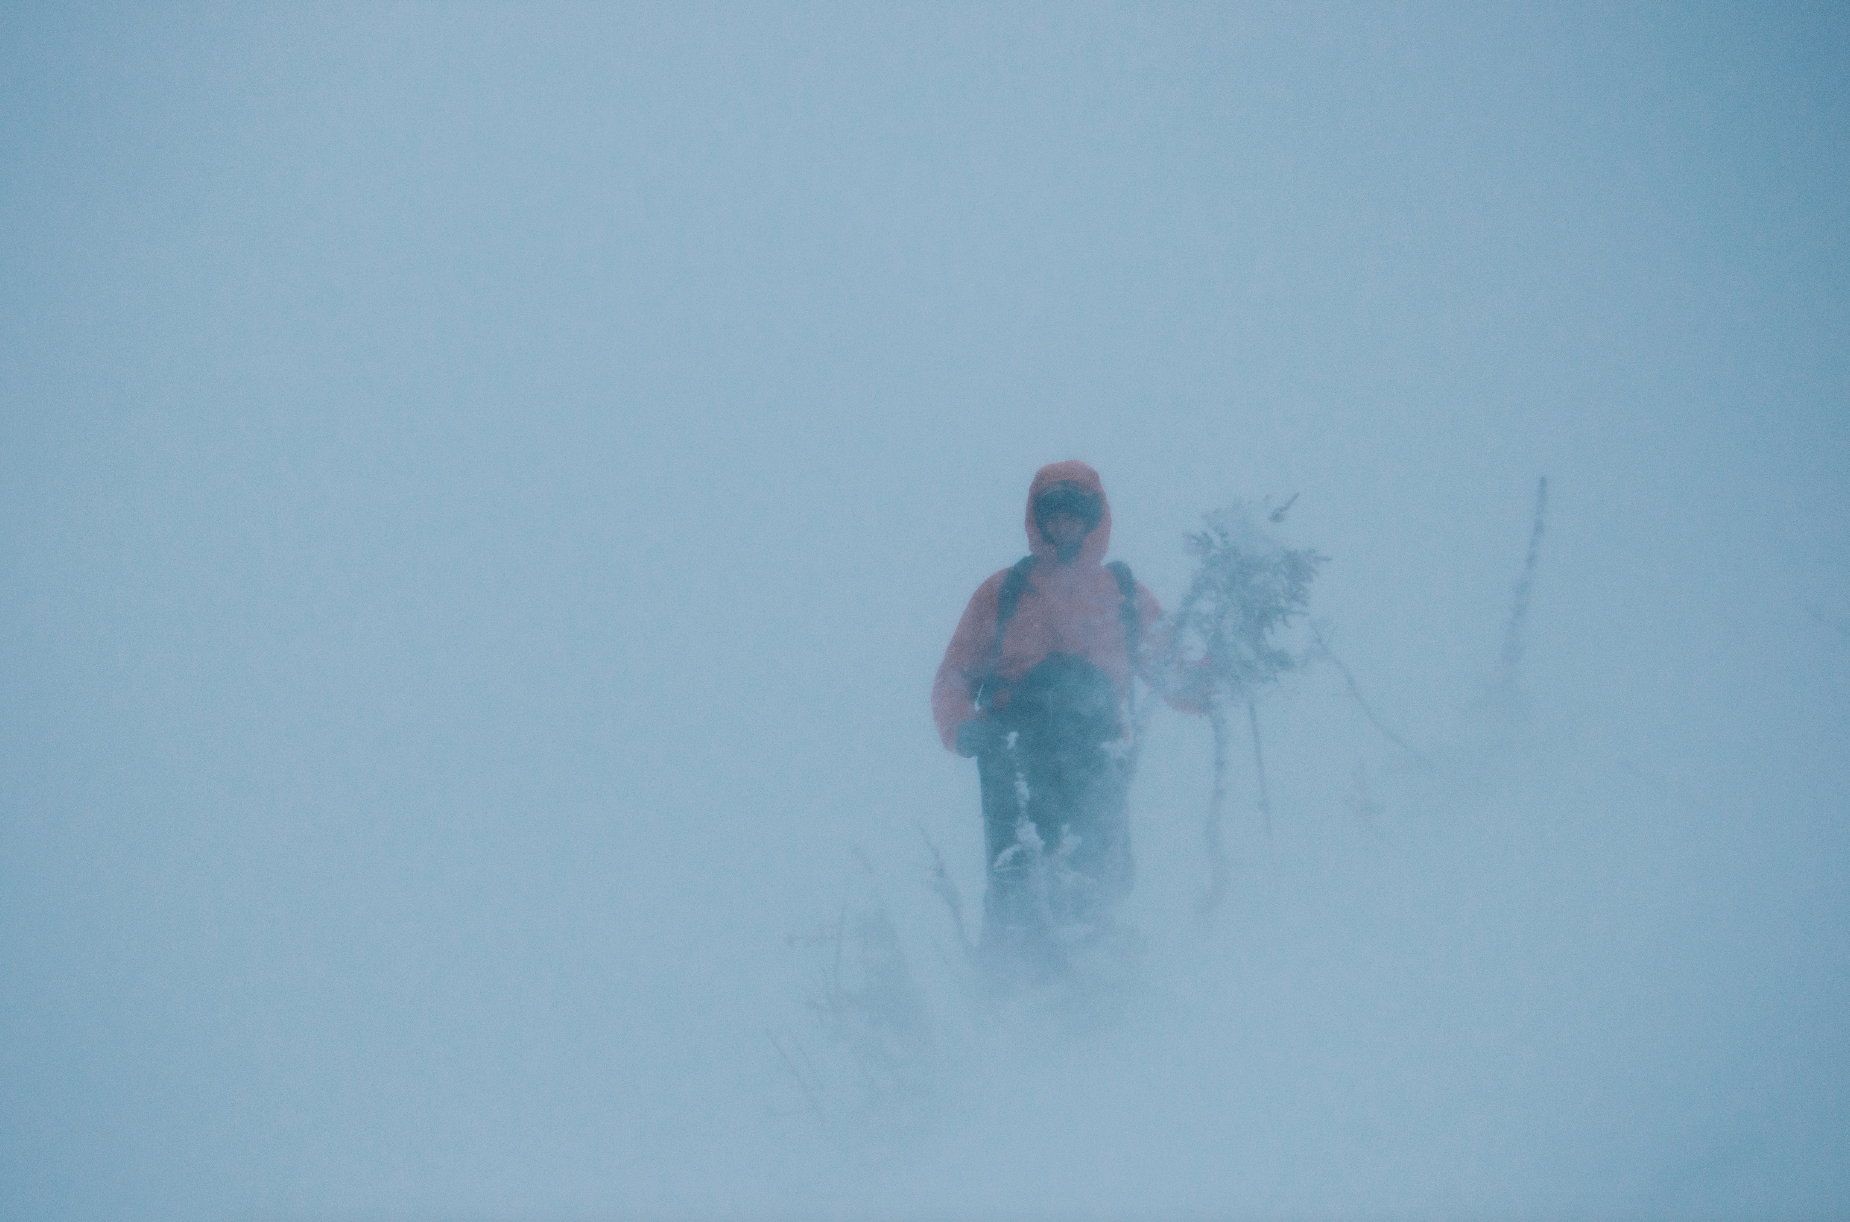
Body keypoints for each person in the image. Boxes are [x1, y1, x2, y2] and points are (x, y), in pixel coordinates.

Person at [932, 461, 1177, 964]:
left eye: (1076, 512)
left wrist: (1221, 673)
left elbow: (1176, 670)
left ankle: (1101, 992)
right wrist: (963, 727)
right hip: (1013, 767)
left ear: (1094, 518)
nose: (1065, 522)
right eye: (1054, 513)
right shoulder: (1004, 593)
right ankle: (1008, 991)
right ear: (1038, 518)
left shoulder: (1122, 593)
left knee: (1094, 889)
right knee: (1016, 889)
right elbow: (954, 677)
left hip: (1096, 766)